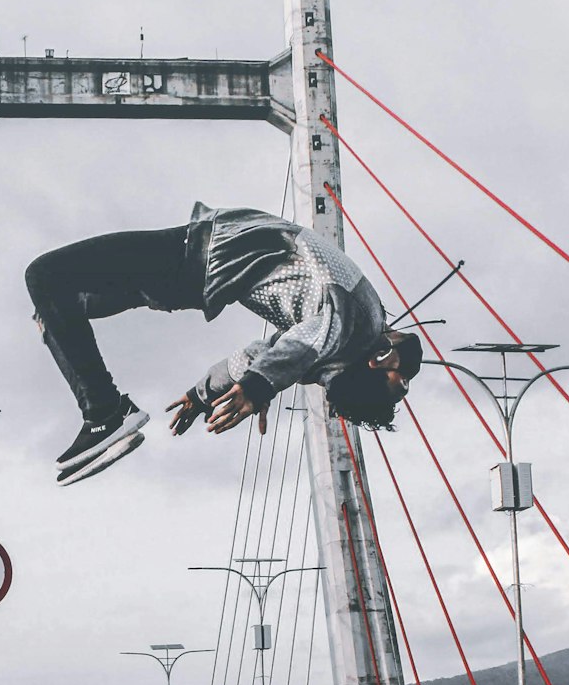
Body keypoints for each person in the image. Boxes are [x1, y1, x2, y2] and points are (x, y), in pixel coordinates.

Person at [25, 201, 423, 484]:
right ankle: (97, 393)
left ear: (380, 362)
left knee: (45, 275)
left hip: (197, 254)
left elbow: (285, 352)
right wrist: (203, 395)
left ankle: (105, 412)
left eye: (398, 377)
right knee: (59, 306)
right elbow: (258, 356)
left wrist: (253, 386)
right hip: (196, 275)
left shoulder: (359, 324)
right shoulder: (329, 353)